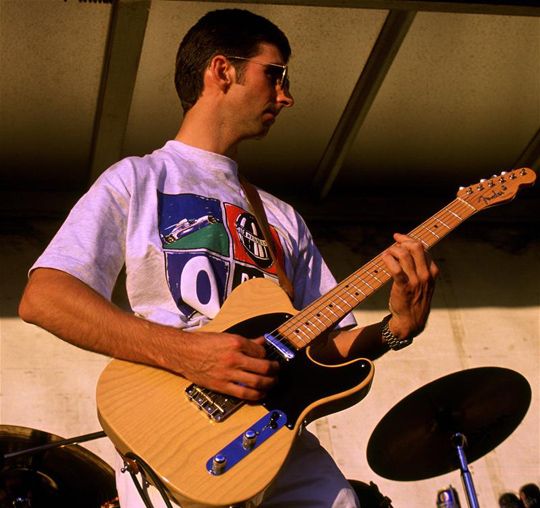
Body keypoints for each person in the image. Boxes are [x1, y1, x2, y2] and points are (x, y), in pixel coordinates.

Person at [18, 8, 438, 508]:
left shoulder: (281, 216)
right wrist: (185, 353)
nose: (287, 95)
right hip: (175, 436)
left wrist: (398, 327)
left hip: (278, 434)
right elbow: (45, 297)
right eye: (274, 74)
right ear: (222, 70)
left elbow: (327, 347)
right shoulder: (137, 178)